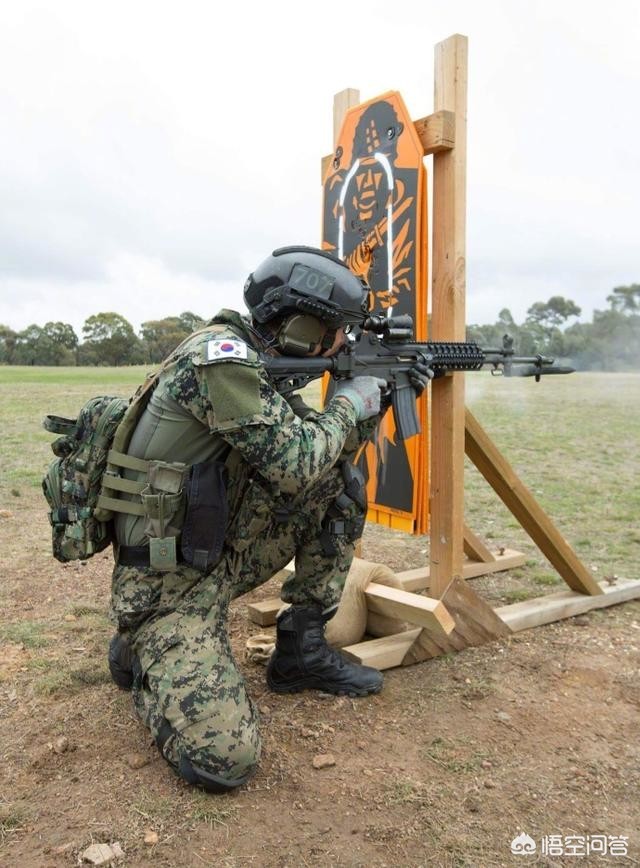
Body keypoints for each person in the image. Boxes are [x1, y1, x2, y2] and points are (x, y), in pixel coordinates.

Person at [107, 245, 429, 793]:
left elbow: (318, 459)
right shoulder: (222, 362)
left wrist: (374, 403)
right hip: (168, 583)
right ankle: (144, 645)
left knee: (339, 489)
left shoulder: (254, 365)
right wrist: (352, 400)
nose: (342, 344)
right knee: (224, 760)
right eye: (338, 333)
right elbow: (296, 460)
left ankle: (299, 652)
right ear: (303, 328)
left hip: (211, 557)